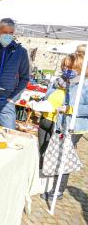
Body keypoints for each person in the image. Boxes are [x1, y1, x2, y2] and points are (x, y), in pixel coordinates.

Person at [40, 53, 88, 200]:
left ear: (80, 68)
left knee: (63, 157)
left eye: (70, 67)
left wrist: (71, 109)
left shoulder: (84, 86)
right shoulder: (58, 81)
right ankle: (44, 181)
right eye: (65, 66)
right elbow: (47, 97)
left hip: (72, 127)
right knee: (46, 151)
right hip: (52, 121)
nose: (66, 69)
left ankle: (58, 190)